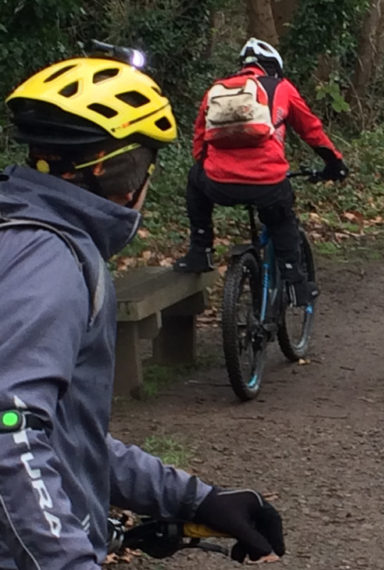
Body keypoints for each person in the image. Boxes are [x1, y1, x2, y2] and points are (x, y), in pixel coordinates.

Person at [0, 49, 285, 568]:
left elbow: (65, 438)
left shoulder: (23, 234)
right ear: (126, 173)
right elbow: (9, 429)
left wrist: (196, 500)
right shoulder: (50, 259)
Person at [174, 37, 348, 306]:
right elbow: (311, 131)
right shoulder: (282, 88)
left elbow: (200, 142)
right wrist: (335, 164)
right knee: (282, 218)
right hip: (267, 183)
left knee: (195, 179)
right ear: (274, 67)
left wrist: (217, 169)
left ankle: (201, 250)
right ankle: (296, 284)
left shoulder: (217, 90)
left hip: (219, 185)